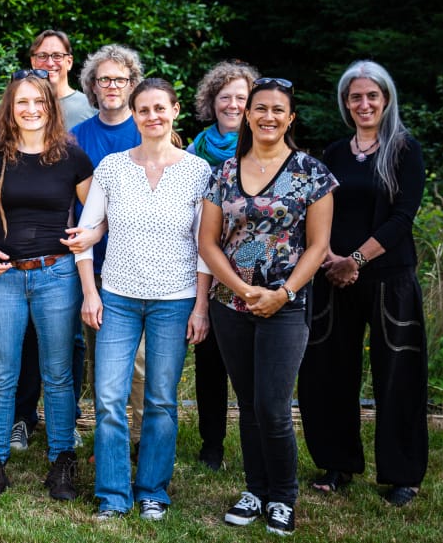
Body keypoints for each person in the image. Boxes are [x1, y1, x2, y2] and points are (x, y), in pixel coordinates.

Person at [199, 77, 337, 536]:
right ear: (248, 114)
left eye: (278, 110)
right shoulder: (223, 172)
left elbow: (318, 247)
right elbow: (209, 242)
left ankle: (284, 496)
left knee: (274, 405)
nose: (268, 117)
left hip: (286, 305)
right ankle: (255, 489)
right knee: (249, 404)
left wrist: (283, 293)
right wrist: (239, 287)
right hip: (229, 304)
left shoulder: (312, 173)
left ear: (290, 117)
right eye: (260, 108)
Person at [72, 78, 212, 521]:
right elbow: (89, 232)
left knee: (161, 399)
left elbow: (204, 246)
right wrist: (90, 293)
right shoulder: (113, 167)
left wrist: (201, 306)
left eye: (160, 108)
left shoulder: (198, 170)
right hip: (116, 297)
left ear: (174, 112)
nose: (152, 116)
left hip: (175, 300)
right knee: (109, 397)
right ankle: (113, 494)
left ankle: (153, 489)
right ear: (133, 116)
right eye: (144, 110)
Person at [0, 69, 93, 500]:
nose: (31, 110)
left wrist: (92, 233)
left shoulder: (72, 157)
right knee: (1, 376)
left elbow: (97, 213)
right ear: (10, 109)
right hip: (1, 276)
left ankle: (62, 462)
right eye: (22, 103)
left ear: (51, 107)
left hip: (57, 275)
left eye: (39, 102)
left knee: (58, 374)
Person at [298, 60, 428, 507]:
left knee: (398, 375)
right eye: (356, 96)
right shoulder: (333, 153)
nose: (364, 103)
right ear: (345, 102)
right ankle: (337, 464)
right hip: (333, 275)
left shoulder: (405, 150)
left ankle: (402, 475)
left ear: (386, 99)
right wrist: (331, 257)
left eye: (372, 95)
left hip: (390, 278)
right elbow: (318, 211)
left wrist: (356, 259)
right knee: (329, 371)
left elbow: (402, 218)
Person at [10, 30, 96, 452]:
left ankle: (67, 418)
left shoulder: (83, 105)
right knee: (25, 339)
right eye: (41, 54)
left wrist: (89, 230)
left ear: (69, 59)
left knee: (70, 343)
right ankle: (23, 417)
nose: (49, 61)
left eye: (57, 55)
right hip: (25, 243)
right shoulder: (18, 103)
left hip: (68, 242)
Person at [69, 44, 145, 450]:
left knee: (142, 362)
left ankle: (141, 435)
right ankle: (109, 437)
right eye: (104, 80)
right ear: (92, 87)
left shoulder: (149, 128)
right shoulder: (76, 138)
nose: (112, 86)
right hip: (94, 263)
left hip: (145, 264)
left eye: (120, 79)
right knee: (103, 360)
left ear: (133, 85)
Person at [186, 60, 260, 471]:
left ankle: (258, 436)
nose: (232, 105)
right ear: (211, 103)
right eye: (224, 97)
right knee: (209, 358)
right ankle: (211, 444)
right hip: (204, 262)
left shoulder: (263, 145)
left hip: (252, 265)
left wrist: (243, 267)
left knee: (250, 361)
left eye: (241, 98)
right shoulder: (195, 149)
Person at [29, 29, 96, 128]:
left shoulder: (90, 107)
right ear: (33, 62)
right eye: (42, 56)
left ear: (69, 62)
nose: (50, 63)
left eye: (57, 56)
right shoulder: (22, 108)